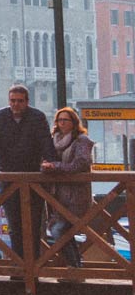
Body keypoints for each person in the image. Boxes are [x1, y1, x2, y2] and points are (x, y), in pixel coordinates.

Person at [0, 85, 58, 260]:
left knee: (34, 225)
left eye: (20, 101)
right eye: (13, 101)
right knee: (14, 225)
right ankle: (19, 265)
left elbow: (46, 142)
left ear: (27, 102)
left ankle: (33, 266)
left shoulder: (37, 117)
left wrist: (51, 162)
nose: (16, 104)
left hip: (33, 178)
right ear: (9, 101)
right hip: (8, 178)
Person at [41, 107, 95, 267]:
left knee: (59, 230)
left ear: (74, 122)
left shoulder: (82, 140)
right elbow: (45, 159)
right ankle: (76, 266)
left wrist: (55, 166)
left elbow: (80, 164)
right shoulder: (53, 141)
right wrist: (45, 166)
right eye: (59, 120)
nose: (62, 123)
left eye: (66, 120)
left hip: (77, 195)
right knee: (63, 231)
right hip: (58, 195)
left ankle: (74, 267)